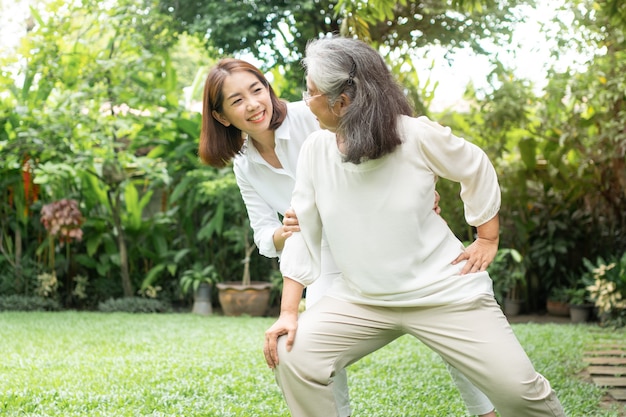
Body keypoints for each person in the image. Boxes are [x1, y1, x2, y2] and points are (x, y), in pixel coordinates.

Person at [263, 36, 566, 417]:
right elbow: (302, 231)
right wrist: (289, 312)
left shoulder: (415, 135)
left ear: (345, 101)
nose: (305, 103)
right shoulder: (315, 150)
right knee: (294, 356)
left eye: (311, 93)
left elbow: (474, 165)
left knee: (521, 394)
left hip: (444, 292)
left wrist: (486, 236)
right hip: (362, 299)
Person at [199, 59, 498, 417]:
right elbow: (263, 234)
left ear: (269, 89)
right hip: (323, 257)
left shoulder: (312, 113)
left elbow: (394, 136)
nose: (252, 104)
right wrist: (288, 229)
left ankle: (486, 412)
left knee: (456, 332)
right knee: (307, 347)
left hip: (385, 235)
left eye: (257, 90)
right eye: (236, 101)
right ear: (220, 117)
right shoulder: (244, 164)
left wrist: (421, 188)